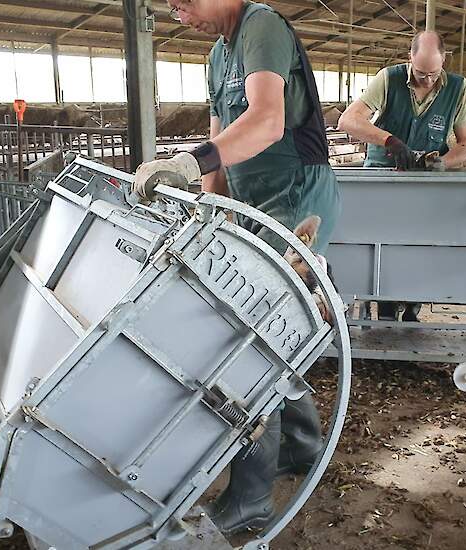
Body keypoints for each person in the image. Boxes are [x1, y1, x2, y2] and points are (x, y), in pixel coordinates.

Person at [133, 0, 340, 535]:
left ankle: (251, 498)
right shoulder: (216, 55)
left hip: (295, 197)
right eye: (173, 9)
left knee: (249, 344)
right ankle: (300, 445)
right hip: (251, 200)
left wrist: (184, 163)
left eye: (184, 3)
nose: (181, 15)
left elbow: (267, 121)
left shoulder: (262, 26)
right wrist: (207, 214)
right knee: (275, 332)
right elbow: (220, 145)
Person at [338, 30, 466, 322]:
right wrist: (390, 141)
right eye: (420, 72)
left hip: (425, 185)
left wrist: (441, 163)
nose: (426, 80)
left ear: (444, 61)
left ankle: (412, 306)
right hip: (383, 179)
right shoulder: (388, 79)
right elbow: (348, 120)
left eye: (433, 73)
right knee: (378, 243)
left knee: (420, 245)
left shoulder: (458, 88)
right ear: (409, 58)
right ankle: (381, 304)